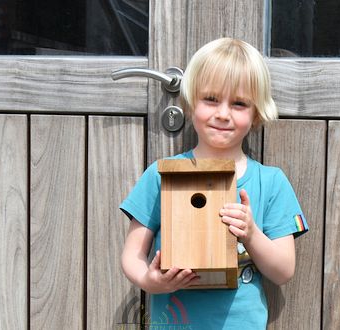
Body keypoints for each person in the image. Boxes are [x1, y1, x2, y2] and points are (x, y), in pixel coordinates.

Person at [120, 37, 308, 329]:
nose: (223, 113)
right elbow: (132, 254)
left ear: (256, 112)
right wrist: (151, 281)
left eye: (239, 103)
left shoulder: (271, 182)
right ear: (191, 101)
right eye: (210, 99)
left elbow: (284, 270)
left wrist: (251, 234)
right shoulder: (162, 174)